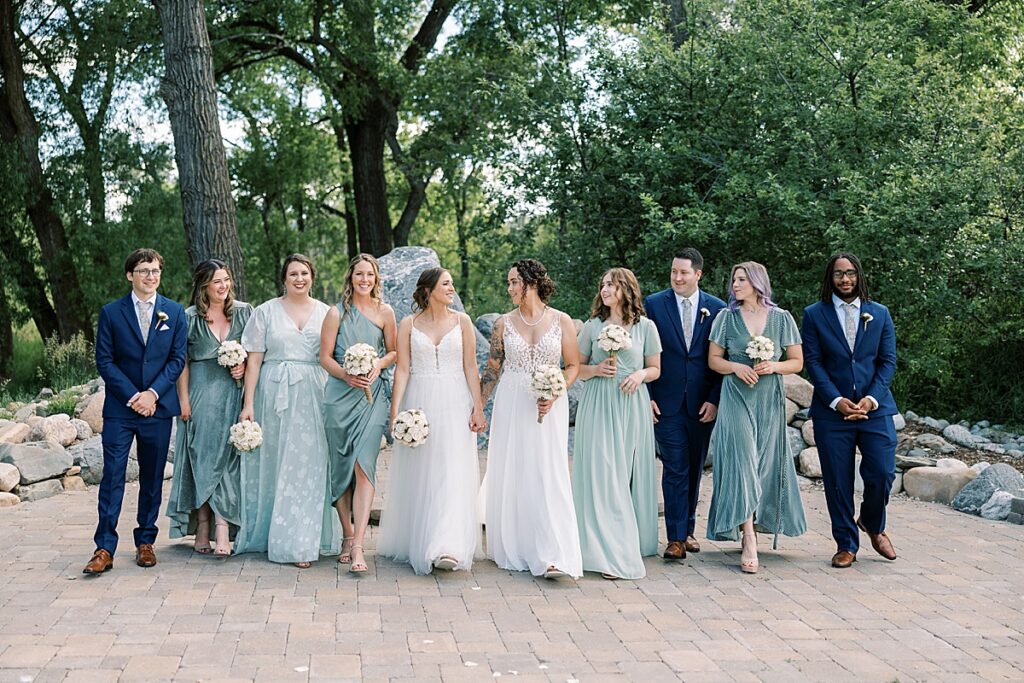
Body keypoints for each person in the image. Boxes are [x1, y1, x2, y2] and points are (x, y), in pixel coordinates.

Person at [377, 268, 487, 575]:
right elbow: (402, 369)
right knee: (425, 471)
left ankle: (448, 545)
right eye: (446, 283)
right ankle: (424, 537)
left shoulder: (462, 321)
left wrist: (478, 408)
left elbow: (469, 367)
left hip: (455, 399)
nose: (452, 288)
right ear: (429, 290)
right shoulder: (408, 324)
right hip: (420, 400)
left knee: (452, 469)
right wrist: (395, 410)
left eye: (452, 282)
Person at [84, 248, 187, 575]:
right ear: (131, 275)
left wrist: (153, 394)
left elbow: (177, 359)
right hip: (121, 409)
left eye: (155, 270)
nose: (150, 276)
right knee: (112, 476)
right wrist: (133, 396)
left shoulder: (174, 312)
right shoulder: (111, 313)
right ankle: (104, 547)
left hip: (157, 409)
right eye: (144, 270)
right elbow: (105, 361)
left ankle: (146, 541)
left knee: (153, 477)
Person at [234, 254, 339, 568]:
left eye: (304, 273)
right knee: (278, 463)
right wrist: (248, 404)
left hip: (314, 393)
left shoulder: (326, 312)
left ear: (312, 277)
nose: (299, 279)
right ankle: (277, 535)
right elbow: (253, 361)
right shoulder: (265, 311)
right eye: (293, 273)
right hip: (274, 392)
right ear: (284, 278)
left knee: (311, 464)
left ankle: (303, 539)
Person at [481, 258, 582, 579]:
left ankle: (551, 553)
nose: (509, 288)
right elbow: (493, 369)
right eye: (509, 283)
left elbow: (573, 366)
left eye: (513, 282)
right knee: (516, 470)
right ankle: (519, 545)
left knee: (548, 472)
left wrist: (555, 392)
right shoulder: (502, 324)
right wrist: (476, 407)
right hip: (512, 401)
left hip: (549, 404)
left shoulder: (562, 320)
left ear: (531, 282)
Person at [705, 262, 807, 573]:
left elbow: (797, 362)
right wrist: (736, 367)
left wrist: (773, 367)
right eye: (733, 279)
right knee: (743, 461)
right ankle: (748, 536)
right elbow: (713, 360)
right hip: (736, 396)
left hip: (768, 399)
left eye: (741, 279)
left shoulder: (781, 318)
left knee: (764, 464)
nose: (734, 284)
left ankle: (760, 524)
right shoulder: (726, 318)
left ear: (757, 282)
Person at [802, 253, 898, 569]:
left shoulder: (879, 314)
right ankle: (846, 543)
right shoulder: (815, 315)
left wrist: (871, 399)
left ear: (859, 276)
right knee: (837, 480)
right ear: (830, 278)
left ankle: (872, 521)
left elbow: (887, 362)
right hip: (833, 412)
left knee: (883, 472)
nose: (845, 279)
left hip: (875, 409)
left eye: (851, 273)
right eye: (839, 274)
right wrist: (835, 400)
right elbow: (813, 362)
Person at [573, 268, 662, 580]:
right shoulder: (591, 326)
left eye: (610, 284)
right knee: (602, 472)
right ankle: (604, 549)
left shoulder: (646, 327)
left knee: (622, 473)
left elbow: (655, 369)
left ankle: (623, 541)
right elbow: (575, 369)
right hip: (598, 403)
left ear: (626, 288)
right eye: (602, 285)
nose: (604, 289)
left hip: (630, 405)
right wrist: (595, 370)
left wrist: (638, 375)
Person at [165, 259, 253, 558]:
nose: (223, 286)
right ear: (203, 285)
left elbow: (257, 353)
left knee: (230, 458)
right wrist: (184, 400)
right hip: (201, 393)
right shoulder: (188, 317)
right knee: (201, 458)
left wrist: (244, 365)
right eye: (217, 281)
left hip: (234, 393)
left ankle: (223, 526)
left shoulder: (244, 312)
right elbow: (182, 361)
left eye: (227, 280)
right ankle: (202, 523)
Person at [643, 248, 726, 561]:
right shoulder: (653, 304)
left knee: (694, 468)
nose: (677, 277)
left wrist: (715, 399)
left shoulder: (717, 309)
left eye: (684, 273)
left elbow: (724, 356)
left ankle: (688, 528)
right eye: (674, 272)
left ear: (698, 275)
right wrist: (648, 396)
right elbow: (644, 351)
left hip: (703, 403)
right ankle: (675, 538)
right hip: (666, 402)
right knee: (675, 467)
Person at [320, 254, 397, 573]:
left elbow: (393, 352)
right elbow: (324, 357)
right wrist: (346, 375)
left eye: (370, 274)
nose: (364, 279)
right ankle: (347, 535)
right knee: (341, 469)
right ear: (350, 277)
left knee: (364, 466)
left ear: (376, 279)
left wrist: (377, 364)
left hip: (373, 399)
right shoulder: (336, 313)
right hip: (339, 397)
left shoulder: (385, 312)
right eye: (359, 274)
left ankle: (359, 546)